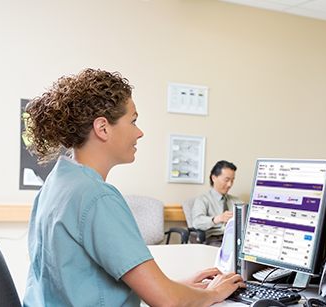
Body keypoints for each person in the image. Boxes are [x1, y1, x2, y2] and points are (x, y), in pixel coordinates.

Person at [22, 68, 244, 307]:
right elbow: (168, 302)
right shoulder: (97, 197)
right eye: (133, 121)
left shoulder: (58, 183)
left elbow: (81, 279)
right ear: (103, 128)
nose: (140, 132)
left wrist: (174, 286)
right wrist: (212, 293)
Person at [191, 160, 243, 246]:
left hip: (236, 239)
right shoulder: (203, 200)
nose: (229, 184)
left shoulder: (236, 201)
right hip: (215, 239)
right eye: (226, 180)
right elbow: (197, 222)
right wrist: (216, 219)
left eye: (232, 180)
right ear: (214, 178)